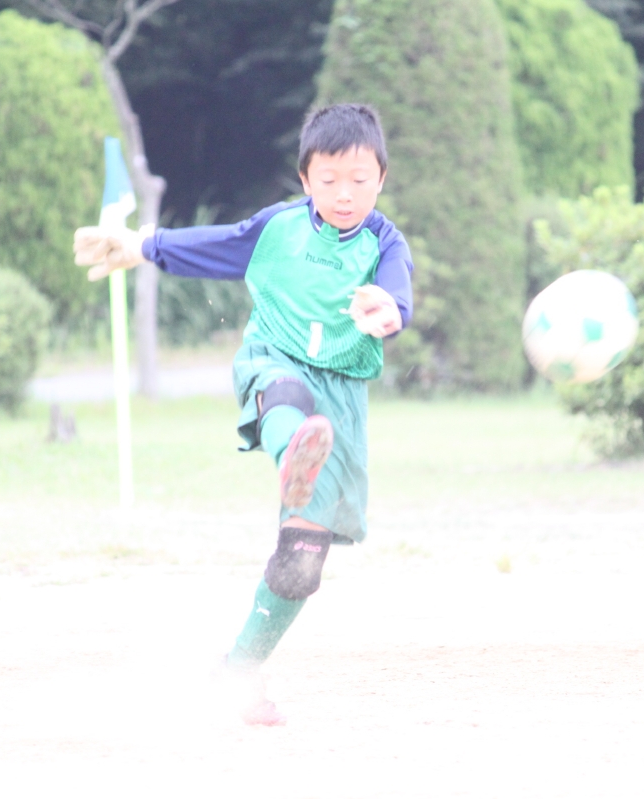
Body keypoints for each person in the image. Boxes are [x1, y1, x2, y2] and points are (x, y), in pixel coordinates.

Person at [72, 103, 413, 726]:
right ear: (305, 179)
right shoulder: (278, 228)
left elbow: (396, 298)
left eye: (359, 180)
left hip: (342, 398)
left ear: (381, 179)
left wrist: (386, 312)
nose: (344, 194)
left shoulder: (386, 243)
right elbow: (216, 245)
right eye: (329, 179)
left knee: (302, 561)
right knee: (287, 398)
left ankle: (237, 673)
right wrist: (139, 245)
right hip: (274, 359)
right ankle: (294, 450)